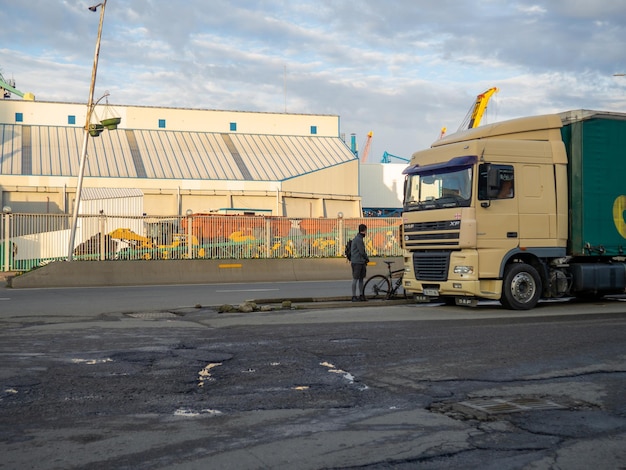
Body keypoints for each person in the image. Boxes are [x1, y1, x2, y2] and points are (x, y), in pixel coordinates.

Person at [350, 224, 369, 302]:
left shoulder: (357, 238)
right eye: (366, 231)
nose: (366, 232)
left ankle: (361, 295)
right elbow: (362, 251)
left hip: (358, 261)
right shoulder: (358, 239)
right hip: (358, 262)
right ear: (364, 230)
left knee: (360, 279)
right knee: (356, 279)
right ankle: (354, 296)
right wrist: (367, 258)